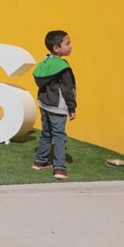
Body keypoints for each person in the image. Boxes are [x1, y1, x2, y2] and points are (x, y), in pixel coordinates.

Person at [32, 30, 76, 179]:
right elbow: (68, 89)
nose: (70, 46)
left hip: (44, 105)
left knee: (46, 133)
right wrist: (72, 107)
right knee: (59, 136)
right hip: (58, 107)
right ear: (56, 48)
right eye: (67, 44)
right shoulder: (62, 66)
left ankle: (40, 161)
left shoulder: (45, 62)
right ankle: (60, 168)